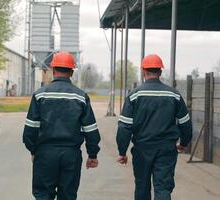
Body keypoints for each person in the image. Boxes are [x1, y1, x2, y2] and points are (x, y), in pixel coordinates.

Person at [23, 51, 101, 200]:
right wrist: (92, 154)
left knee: (43, 195)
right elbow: (90, 129)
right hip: (71, 155)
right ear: (71, 72)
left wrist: (33, 150)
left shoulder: (40, 95)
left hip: (45, 154)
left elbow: (31, 128)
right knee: (68, 196)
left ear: (53, 70)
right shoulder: (81, 96)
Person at [116, 54, 193, 200]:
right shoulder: (174, 95)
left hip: (142, 149)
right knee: (163, 188)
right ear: (160, 72)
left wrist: (122, 151)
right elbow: (185, 123)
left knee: (142, 187)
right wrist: (183, 143)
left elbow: (125, 126)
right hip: (166, 149)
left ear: (143, 71)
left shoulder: (134, 95)